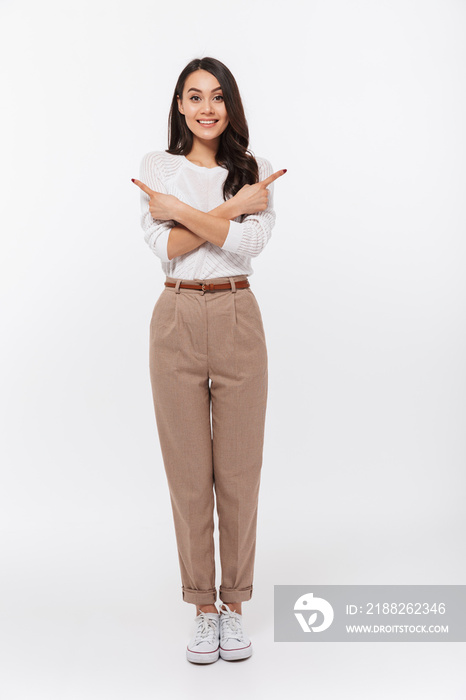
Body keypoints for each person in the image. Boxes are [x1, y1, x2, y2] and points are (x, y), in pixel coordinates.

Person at [132, 56, 286, 664]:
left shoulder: (256, 172)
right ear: (179, 106)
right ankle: (202, 608)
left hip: (237, 314)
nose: (206, 107)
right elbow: (167, 247)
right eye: (193, 96)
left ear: (231, 106)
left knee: (240, 472)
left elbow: (250, 244)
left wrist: (188, 213)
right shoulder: (158, 168)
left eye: (217, 96)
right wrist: (228, 209)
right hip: (175, 317)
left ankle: (235, 606)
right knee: (189, 474)